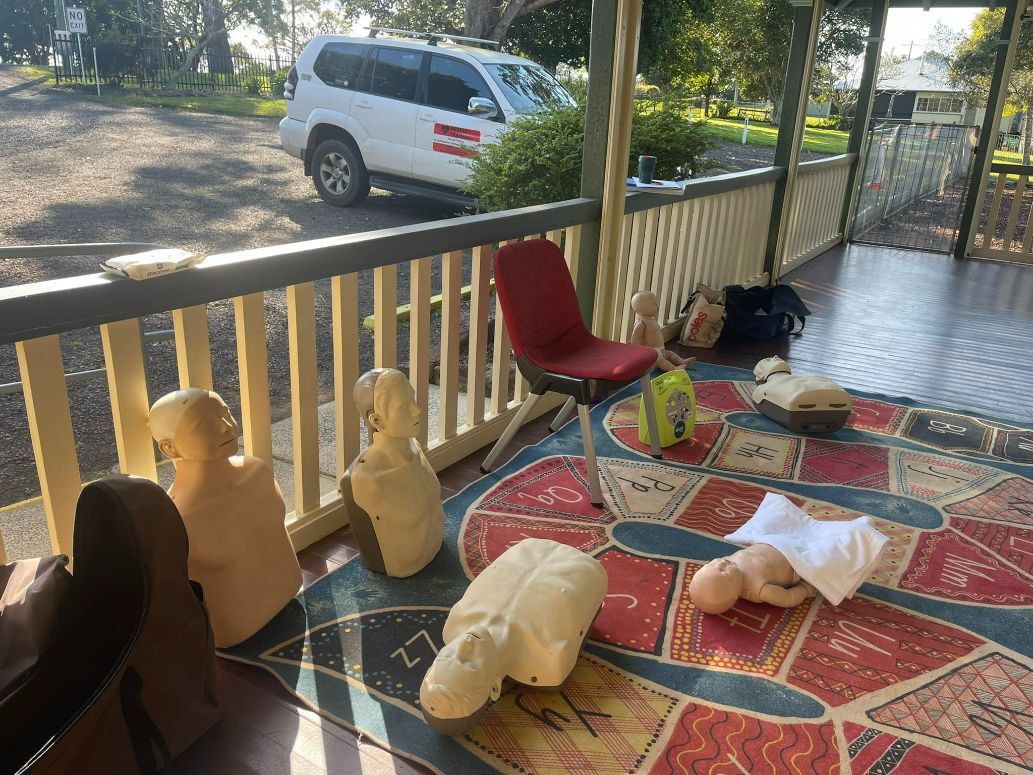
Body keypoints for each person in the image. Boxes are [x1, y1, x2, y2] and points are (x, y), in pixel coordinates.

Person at [149, 388, 301, 647]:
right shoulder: (179, 516)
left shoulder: (258, 472)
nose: (226, 427)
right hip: (236, 629)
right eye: (204, 424)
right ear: (169, 448)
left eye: (226, 413)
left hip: (291, 593)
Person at [345, 369, 444, 578]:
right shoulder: (367, 479)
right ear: (377, 421)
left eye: (412, 399)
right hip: (406, 571)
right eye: (404, 407)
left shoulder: (415, 449)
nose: (417, 410)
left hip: (436, 552)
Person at [689, 545, 816, 615]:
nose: (721, 563)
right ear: (735, 594)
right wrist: (805, 589)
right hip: (797, 558)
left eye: (711, 564)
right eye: (725, 573)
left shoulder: (727, 562)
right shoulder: (760, 589)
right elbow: (788, 598)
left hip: (772, 541)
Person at [630, 291, 694, 372]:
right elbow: (635, 340)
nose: (657, 306)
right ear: (641, 308)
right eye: (653, 304)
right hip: (650, 354)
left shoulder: (650, 320)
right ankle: (673, 368)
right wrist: (639, 354)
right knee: (659, 358)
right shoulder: (641, 323)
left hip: (660, 350)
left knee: (670, 354)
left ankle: (681, 361)